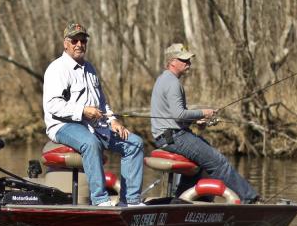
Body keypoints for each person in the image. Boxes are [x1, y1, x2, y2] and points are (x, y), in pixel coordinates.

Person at [43, 22, 145, 206]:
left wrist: (113, 120)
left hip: (96, 125)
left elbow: (102, 103)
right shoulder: (56, 69)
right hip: (62, 125)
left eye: (83, 40)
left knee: (134, 143)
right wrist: (82, 110)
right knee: (91, 143)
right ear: (65, 43)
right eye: (74, 40)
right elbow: (52, 105)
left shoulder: (90, 69)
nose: (79, 44)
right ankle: (100, 200)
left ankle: (129, 200)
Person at [150, 43, 260, 203]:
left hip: (167, 136)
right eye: (184, 60)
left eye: (188, 60)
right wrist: (204, 112)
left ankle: (180, 202)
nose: (189, 63)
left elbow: (173, 116)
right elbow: (178, 114)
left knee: (199, 165)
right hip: (174, 137)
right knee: (219, 162)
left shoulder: (163, 79)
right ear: (172, 61)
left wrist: (195, 120)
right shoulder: (173, 83)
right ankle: (250, 198)